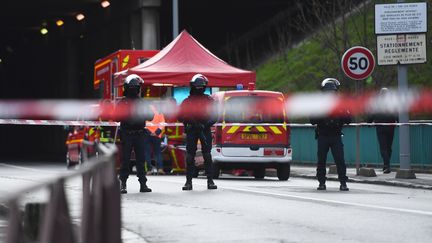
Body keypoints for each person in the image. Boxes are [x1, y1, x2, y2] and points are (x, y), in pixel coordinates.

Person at [310, 78, 352, 191]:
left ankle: (343, 183)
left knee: (340, 160)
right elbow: (312, 120)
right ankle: (321, 183)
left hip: (335, 135)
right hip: (323, 135)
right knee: (321, 161)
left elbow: (349, 119)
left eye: (332, 93)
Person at [177, 74, 217, 190]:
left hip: (204, 129)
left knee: (207, 155)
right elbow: (180, 116)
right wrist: (191, 122)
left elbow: (215, 116)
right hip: (192, 130)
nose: (199, 89)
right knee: (190, 156)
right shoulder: (187, 102)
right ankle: (189, 182)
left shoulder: (209, 100)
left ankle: (210, 181)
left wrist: (205, 125)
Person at [118, 74, 154, 194]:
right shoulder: (123, 102)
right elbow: (116, 117)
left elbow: (151, 116)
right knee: (126, 160)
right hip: (127, 133)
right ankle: (123, 183)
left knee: (140, 160)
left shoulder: (141, 102)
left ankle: (143, 184)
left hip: (139, 134)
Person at [367, 87, 398, 174]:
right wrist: (398, 122)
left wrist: (369, 123)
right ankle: (386, 165)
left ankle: (386, 166)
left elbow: (371, 113)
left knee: (383, 147)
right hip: (391, 126)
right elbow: (396, 113)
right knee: (388, 147)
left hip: (380, 127)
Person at [145, 102, 166, 175]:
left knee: (147, 153)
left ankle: (149, 170)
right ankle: (160, 169)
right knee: (158, 152)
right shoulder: (160, 112)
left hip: (147, 134)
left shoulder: (146, 112)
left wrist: (149, 132)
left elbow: (143, 123)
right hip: (157, 136)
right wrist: (157, 132)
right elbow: (162, 123)